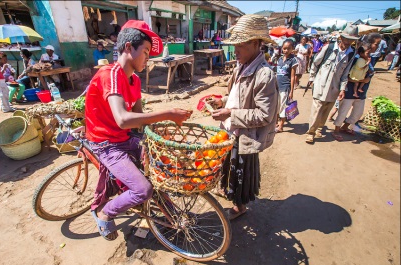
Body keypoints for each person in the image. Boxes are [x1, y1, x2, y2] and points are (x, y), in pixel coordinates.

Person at [85, 20, 192, 240]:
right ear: (127, 48)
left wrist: (160, 133)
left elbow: (139, 119)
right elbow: (124, 120)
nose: (148, 58)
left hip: (125, 138)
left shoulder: (133, 80)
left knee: (160, 168)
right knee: (143, 190)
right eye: (145, 52)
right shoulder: (111, 75)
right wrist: (168, 113)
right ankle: (105, 213)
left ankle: (168, 210)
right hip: (106, 144)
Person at [207, 15, 279, 220]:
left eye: (240, 45)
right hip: (233, 129)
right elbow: (238, 95)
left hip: (246, 133)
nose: (235, 50)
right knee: (228, 164)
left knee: (241, 171)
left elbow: (264, 115)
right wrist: (223, 101)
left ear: (256, 44)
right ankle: (227, 190)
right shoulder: (243, 65)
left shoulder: (264, 75)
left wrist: (230, 112)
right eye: (234, 45)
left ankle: (240, 206)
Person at [305, 26, 358, 143]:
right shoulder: (328, 48)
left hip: (335, 87)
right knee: (317, 109)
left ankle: (319, 128)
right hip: (321, 84)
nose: (348, 42)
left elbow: (345, 73)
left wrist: (342, 89)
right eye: (346, 39)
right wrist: (312, 78)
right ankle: (311, 132)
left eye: (351, 40)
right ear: (341, 37)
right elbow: (315, 63)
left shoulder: (351, 53)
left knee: (326, 109)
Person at [333, 34, 382, 140]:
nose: (378, 46)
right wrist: (361, 80)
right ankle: (336, 130)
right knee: (343, 111)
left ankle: (344, 127)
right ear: (369, 44)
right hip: (349, 90)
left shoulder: (371, 58)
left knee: (358, 113)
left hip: (362, 92)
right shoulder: (355, 58)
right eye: (376, 44)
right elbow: (346, 75)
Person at [275, 39, 298, 133]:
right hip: (277, 86)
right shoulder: (280, 59)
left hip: (285, 87)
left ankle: (281, 126)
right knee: (276, 105)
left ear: (292, 49)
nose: (285, 51)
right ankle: (276, 122)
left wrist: (291, 91)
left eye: (288, 49)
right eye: (284, 48)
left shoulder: (293, 60)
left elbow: (292, 77)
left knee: (283, 107)